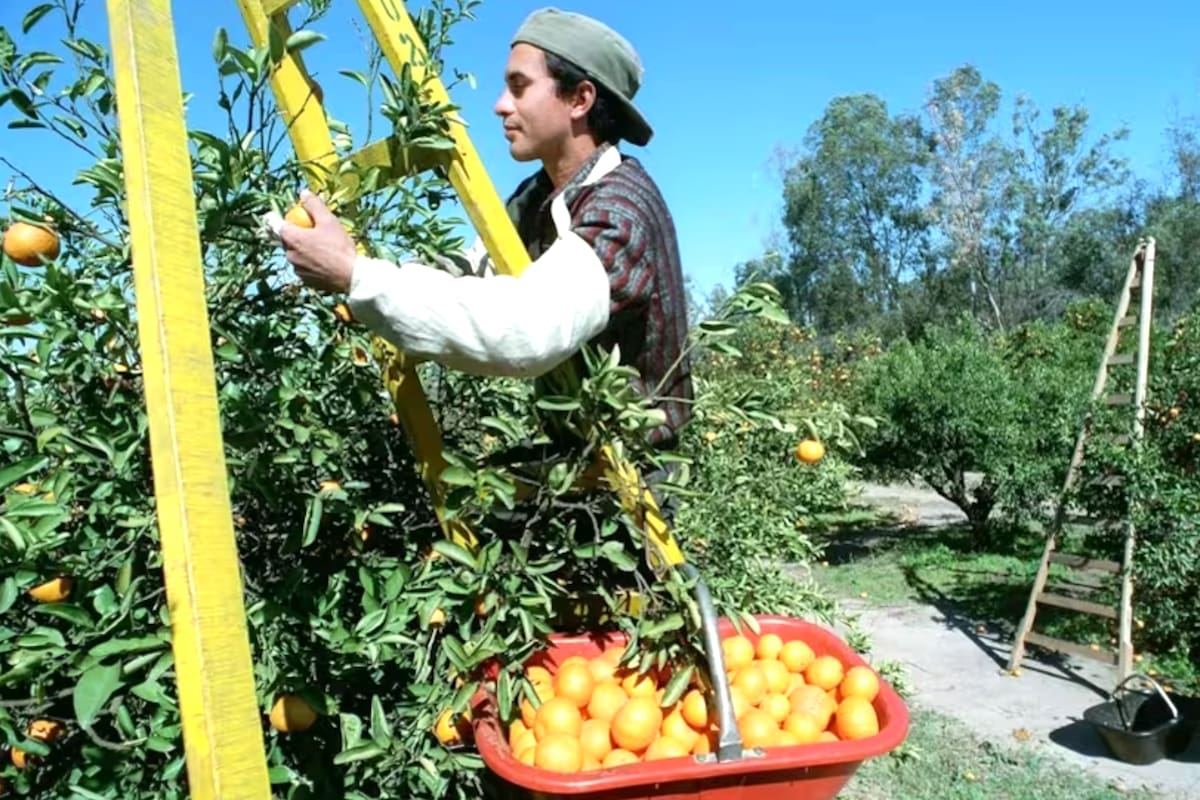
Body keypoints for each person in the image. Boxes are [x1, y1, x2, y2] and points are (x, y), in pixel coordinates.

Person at [266, 7, 693, 455]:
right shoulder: (535, 198)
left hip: (637, 481)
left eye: (519, 87)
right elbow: (471, 272)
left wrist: (356, 275)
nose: (500, 105)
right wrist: (357, 267)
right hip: (574, 455)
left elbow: (530, 328)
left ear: (579, 100)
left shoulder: (620, 209)